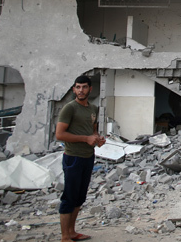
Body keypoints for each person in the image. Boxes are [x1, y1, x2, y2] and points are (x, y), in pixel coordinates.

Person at [55, 75, 106, 242]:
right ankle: (64, 237)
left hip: (87, 157)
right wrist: (85, 139)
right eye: (78, 87)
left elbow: (92, 131)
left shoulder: (92, 108)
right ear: (73, 89)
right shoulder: (69, 108)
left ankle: (72, 231)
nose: (81, 90)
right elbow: (60, 134)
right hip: (73, 157)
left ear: (90, 89)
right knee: (69, 196)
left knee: (80, 197)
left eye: (84, 87)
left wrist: (97, 139)